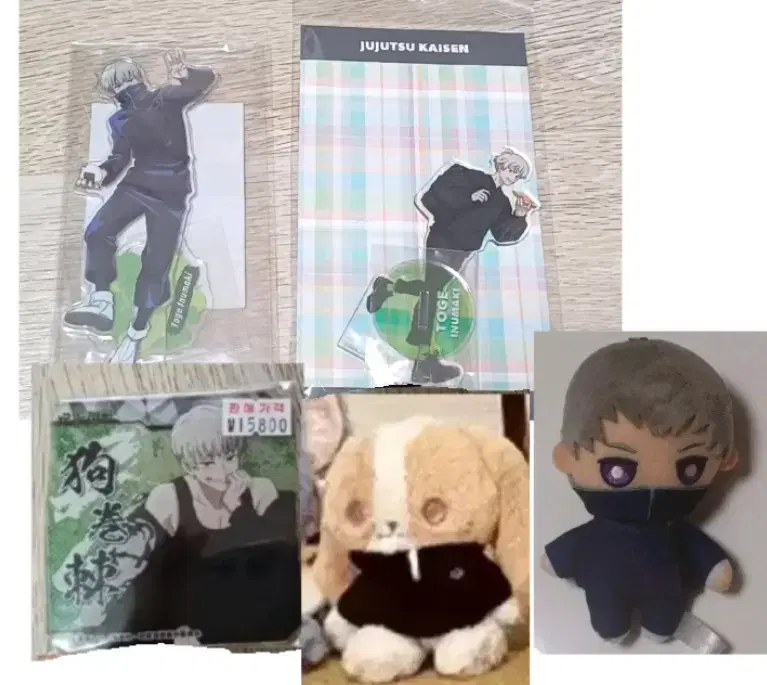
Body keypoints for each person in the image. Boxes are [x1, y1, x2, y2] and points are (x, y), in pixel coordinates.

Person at [542, 338, 738, 644]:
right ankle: (616, 628)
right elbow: (557, 557)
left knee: (662, 622)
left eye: (690, 468)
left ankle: (655, 628)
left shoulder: (676, 532)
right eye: (617, 469)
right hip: (606, 592)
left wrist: (714, 568)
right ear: (566, 458)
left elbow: (706, 559)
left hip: (667, 597)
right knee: (609, 620)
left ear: (725, 460)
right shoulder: (594, 536)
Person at [99, 403, 300, 645]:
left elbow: (271, 568)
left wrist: (241, 511)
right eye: (207, 464)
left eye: (229, 457)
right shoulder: (169, 498)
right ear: (188, 466)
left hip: (248, 617)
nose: (222, 472)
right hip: (181, 621)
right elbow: (146, 574)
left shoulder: (260, 491)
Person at [64, 50, 216, 363]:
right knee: (99, 232)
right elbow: (119, 158)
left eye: (116, 85)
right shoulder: (119, 119)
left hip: (169, 192)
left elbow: (205, 81)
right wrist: (101, 173)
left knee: (155, 262)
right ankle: (102, 300)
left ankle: (134, 336)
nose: (118, 91)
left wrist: (188, 74)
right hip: (140, 185)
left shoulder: (165, 99)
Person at [365, 147, 538, 384]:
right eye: (511, 170)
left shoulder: (501, 202)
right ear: (500, 164)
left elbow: (502, 235)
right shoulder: (465, 175)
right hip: (442, 241)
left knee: (431, 291)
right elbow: (430, 198)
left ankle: (389, 288)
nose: (512, 177)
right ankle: (423, 362)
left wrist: (518, 215)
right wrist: (469, 198)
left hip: (463, 251)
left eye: (517, 175)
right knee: (431, 296)